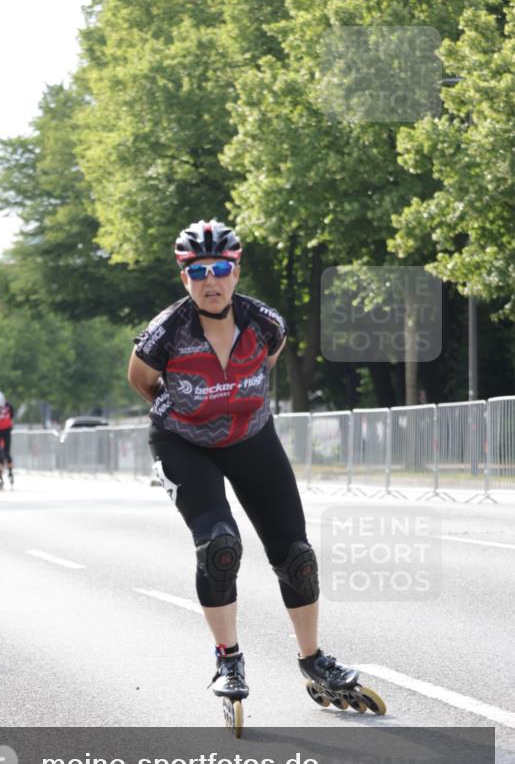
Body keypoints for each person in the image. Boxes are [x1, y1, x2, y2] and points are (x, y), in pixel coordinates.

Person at [127, 220, 380, 721]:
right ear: (184, 278)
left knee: (297, 555)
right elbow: (141, 379)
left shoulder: (265, 324)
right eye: (197, 272)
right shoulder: (164, 333)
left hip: (251, 436)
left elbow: (268, 360)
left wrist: (234, 406)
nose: (210, 280)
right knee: (220, 547)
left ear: (236, 270)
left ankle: (313, 660)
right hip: (182, 443)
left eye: (220, 269)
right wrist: (185, 414)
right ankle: (229, 660)